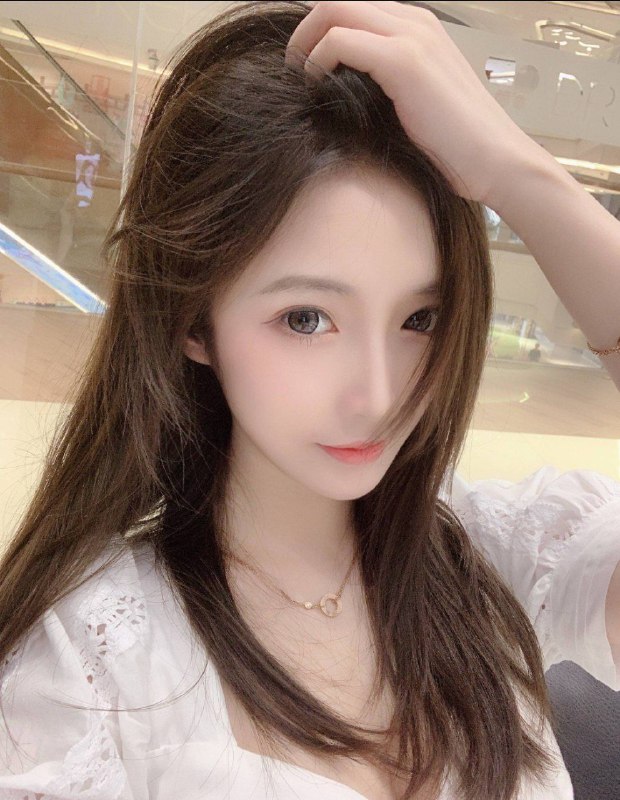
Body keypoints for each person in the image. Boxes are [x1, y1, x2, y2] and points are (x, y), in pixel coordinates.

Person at [0, 2, 618, 799]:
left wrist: (516, 173)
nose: (380, 394)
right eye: (305, 319)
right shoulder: (88, 668)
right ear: (194, 319)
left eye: (419, 320)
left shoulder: (499, 557)